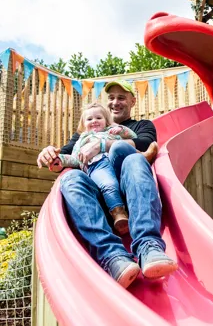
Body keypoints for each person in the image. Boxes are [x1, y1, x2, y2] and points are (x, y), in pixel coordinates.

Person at [37, 79, 178, 289]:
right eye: (111, 98)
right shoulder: (83, 135)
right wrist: (49, 154)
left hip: (130, 193)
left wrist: (103, 144)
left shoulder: (139, 126)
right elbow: (64, 156)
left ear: (132, 100)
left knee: (134, 158)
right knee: (69, 178)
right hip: (99, 197)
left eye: (121, 97)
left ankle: (148, 246)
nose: (115, 102)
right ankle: (113, 257)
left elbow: (146, 144)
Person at [48, 101, 158, 235]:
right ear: (83, 125)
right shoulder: (82, 140)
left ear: (106, 121)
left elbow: (134, 138)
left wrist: (121, 129)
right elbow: (75, 158)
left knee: (120, 147)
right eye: (89, 119)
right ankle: (118, 213)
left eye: (98, 118)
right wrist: (61, 161)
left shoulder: (111, 133)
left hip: (117, 165)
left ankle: (142, 156)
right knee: (108, 184)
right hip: (97, 166)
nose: (94, 121)